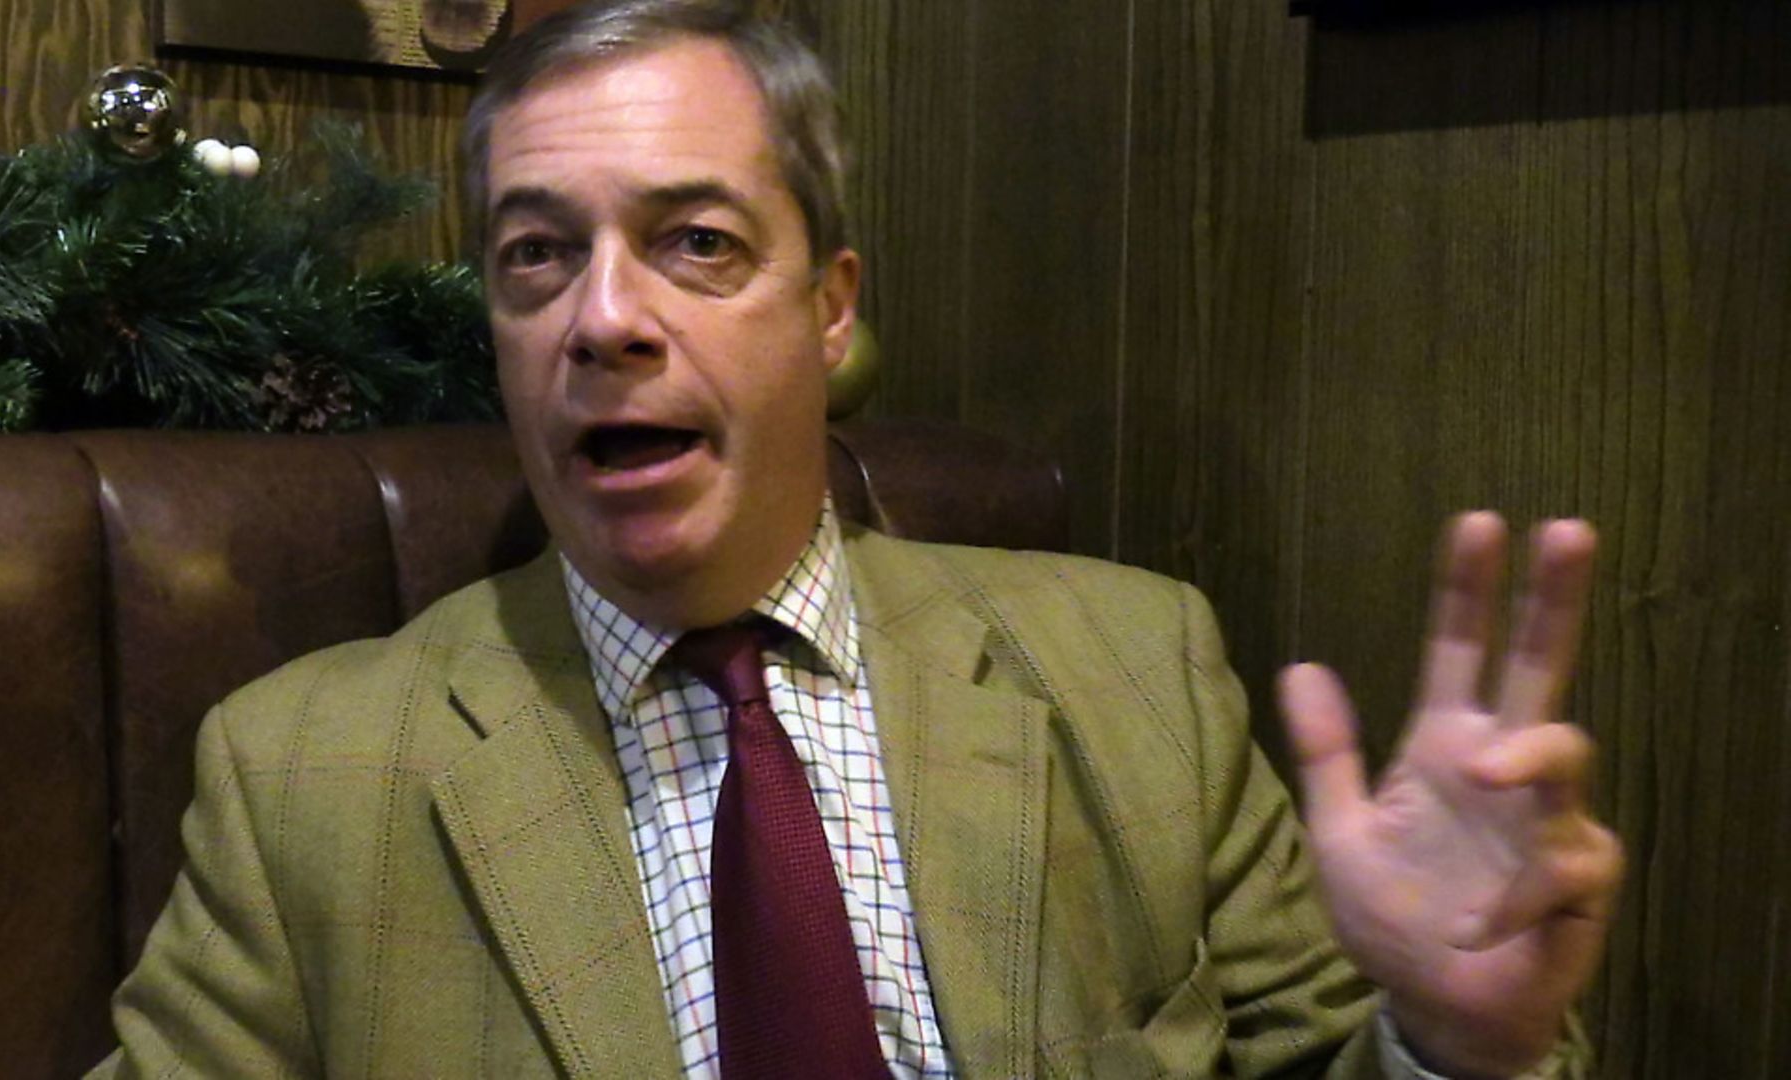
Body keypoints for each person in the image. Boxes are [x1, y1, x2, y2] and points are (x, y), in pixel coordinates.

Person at [92, 2, 1623, 1076]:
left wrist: (1452, 1049)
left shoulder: (1137, 670)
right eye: (538, 255)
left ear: (829, 312)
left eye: (697, 243)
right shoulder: (302, 776)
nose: (605, 317)